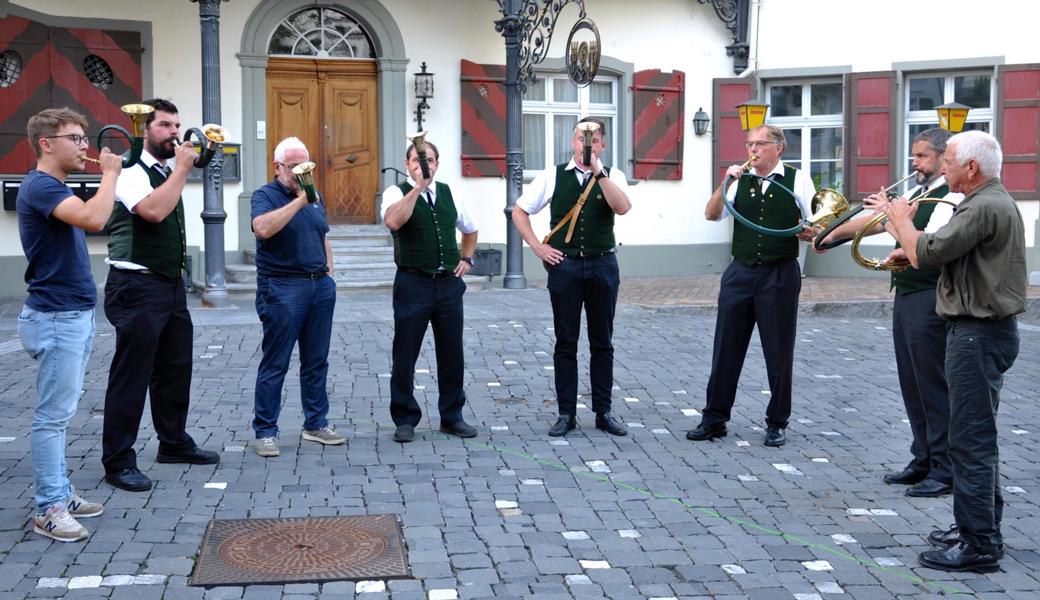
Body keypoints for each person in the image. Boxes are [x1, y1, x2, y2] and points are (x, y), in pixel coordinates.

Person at [884, 130, 1025, 573]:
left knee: (970, 440)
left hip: (977, 333)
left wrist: (901, 222)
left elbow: (932, 250)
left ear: (971, 168)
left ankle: (979, 544)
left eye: (948, 161)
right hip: (980, 330)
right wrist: (910, 251)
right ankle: (978, 528)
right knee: (974, 436)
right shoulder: (987, 200)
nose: (942, 168)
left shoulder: (983, 205)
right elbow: (954, 255)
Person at [818, 128, 959, 496]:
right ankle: (923, 456)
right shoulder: (917, 192)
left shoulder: (952, 197)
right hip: (908, 295)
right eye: (914, 155)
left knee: (933, 384)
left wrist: (895, 215)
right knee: (911, 381)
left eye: (922, 156)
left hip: (932, 295)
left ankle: (945, 468)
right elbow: (878, 223)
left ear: (944, 159)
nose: (914, 163)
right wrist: (829, 236)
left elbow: (927, 243)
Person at [101, 98, 219, 492]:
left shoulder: (166, 170)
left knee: (174, 368)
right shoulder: (131, 171)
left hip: (168, 285)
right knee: (131, 376)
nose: (174, 132)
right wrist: (183, 169)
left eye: (177, 125)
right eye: (165, 125)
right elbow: (152, 212)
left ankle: (173, 442)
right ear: (145, 130)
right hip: (136, 287)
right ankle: (118, 460)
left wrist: (183, 166)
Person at [17, 108, 121, 541]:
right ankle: (49, 508)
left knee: (61, 413)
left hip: (68, 314)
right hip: (57, 316)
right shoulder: (41, 185)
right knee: (52, 418)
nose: (85, 146)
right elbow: (96, 219)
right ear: (46, 143)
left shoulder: (53, 187)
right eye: (75, 138)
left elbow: (92, 216)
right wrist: (111, 174)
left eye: (84, 138)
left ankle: (60, 491)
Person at [687, 124, 816, 447]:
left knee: (778, 350)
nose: (752, 150)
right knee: (726, 347)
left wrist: (811, 230)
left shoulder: (797, 179)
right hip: (740, 271)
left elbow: (817, 218)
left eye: (760, 144)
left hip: (780, 273)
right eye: (749, 144)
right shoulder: (738, 180)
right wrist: (725, 182)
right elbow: (711, 213)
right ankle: (714, 418)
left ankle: (777, 422)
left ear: (778, 148)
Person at [512, 117, 632, 438]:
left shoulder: (613, 174)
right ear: (573, 141)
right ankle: (566, 413)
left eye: (592, 140)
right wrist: (538, 247)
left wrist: (599, 173)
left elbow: (622, 207)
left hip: (603, 264)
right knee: (566, 340)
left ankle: (603, 411)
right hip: (565, 267)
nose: (585, 145)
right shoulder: (553, 175)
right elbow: (519, 211)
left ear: (602, 144)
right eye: (581, 138)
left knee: (602, 341)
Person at [250, 137, 342, 457]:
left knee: (316, 361)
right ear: (277, 167)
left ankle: (316, 423)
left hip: (319, 287)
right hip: (283, 288)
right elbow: (262, 228)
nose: (302, 173)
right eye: (294, 167)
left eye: (307, 167)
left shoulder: (314, 198)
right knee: (276, 362)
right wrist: (301, 200)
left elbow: (322, 235)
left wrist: (329, 272)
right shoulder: (266, 195)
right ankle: (265, 431)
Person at [381, 140, 478, 443]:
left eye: (430, 160)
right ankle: (405, 417)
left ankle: (452, 416)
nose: (424, 165)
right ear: (407, 164)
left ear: (438, 163)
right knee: (406, 352)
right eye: (417, 160)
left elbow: (470, 229)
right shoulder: (396, 192)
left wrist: (466, 258)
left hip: (448, 284)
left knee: (452, 353)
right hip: (413, 283)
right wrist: (417, 189)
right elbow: (394, 221)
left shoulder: (450, 193)